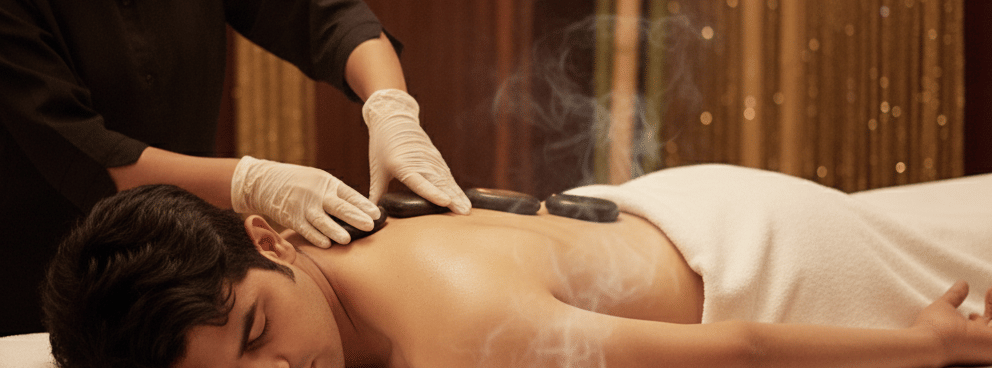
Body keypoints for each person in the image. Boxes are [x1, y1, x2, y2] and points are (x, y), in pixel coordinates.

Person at [42, 164, 992, 368]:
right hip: (662, 206)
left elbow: (740, 349)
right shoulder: (327, 265)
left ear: (273, 241)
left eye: (257, 331)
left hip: (759, 266)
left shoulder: (457, 337)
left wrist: (928, 349)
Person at [0, 0, 471, 335]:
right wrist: (251, 182)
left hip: (194, 261)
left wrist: (390, 105)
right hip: (41, 276)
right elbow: (80, 153)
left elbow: (321, 12)